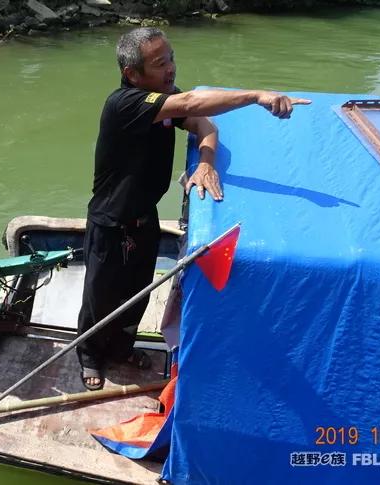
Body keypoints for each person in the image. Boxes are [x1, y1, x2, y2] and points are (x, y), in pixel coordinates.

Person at [77, 27, 311, 390]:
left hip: (144, 216)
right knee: (100, 296)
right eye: (160, 63)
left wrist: (204, 162)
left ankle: (122, 348)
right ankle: (90, 354)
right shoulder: (125, 105)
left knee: (137, 290)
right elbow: (191, 105)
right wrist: (255, 96)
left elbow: (203, 123)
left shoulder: (163, 97)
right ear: (132, 75)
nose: (171, 68)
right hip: (111, 222)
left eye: (171, 58)